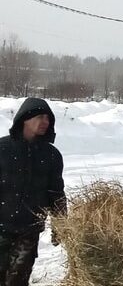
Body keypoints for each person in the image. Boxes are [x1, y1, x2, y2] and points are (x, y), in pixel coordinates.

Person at [0, 98, 66, 286]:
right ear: (24, 119)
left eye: (48, 118)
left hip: (28, 232)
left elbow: (56, 193)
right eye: (40, 116)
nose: (45, 121)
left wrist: (60, 225)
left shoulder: (51, 155)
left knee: (17, 281)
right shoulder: (2, 149)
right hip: (0, 228)